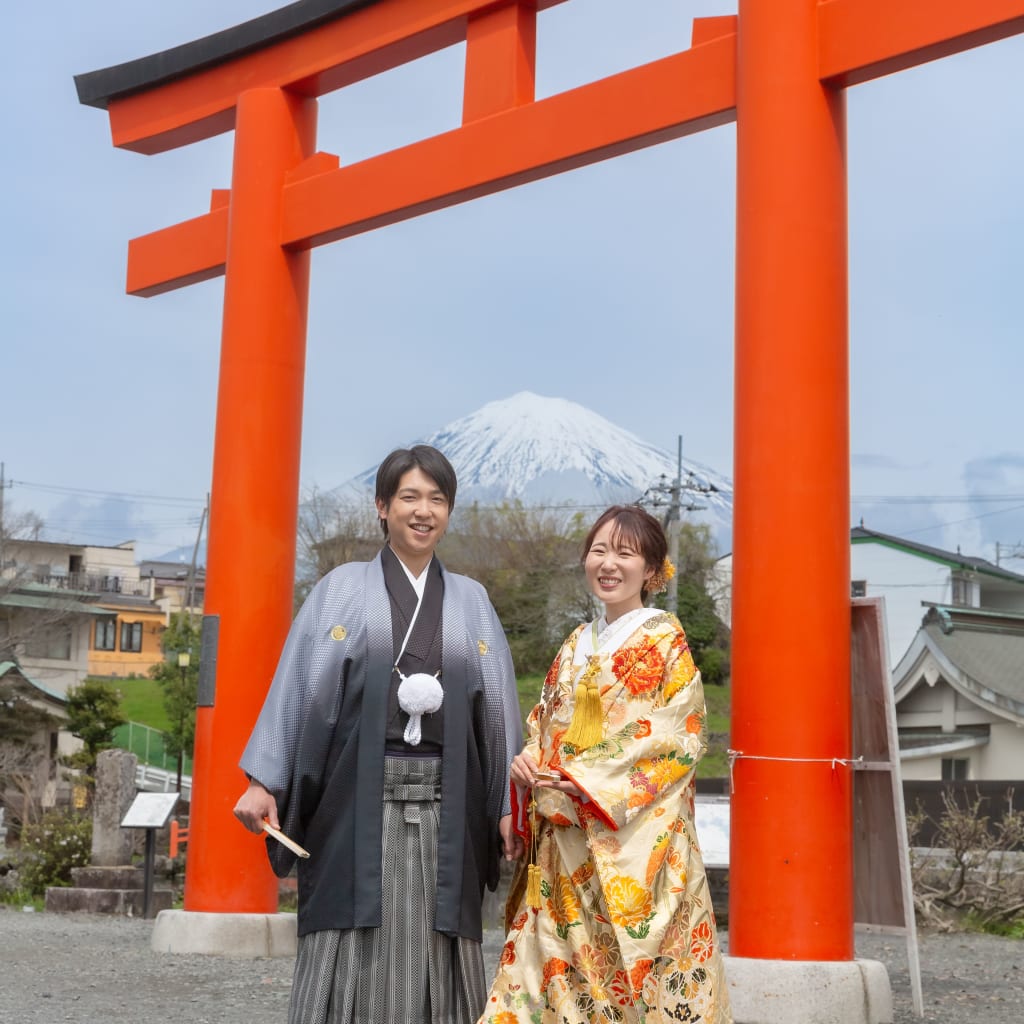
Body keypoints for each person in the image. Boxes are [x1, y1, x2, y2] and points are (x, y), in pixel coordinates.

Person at [234, 445, 523, 1024]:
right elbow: (300, 688)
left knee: (443, 940)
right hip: (354, 802)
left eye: (437, 500)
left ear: (449, 511)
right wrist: (265, 780)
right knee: (349, 929)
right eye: (410, 497)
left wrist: (507, 805)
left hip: (451, 801)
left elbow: (498, 713)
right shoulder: (340, 590)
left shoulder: (471, 601)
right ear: (382, 506)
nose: (423, 511)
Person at [480, 505, 731, 1024]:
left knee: (635, 979)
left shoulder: (665, 640)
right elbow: (544, 724)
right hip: (565, 845)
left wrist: (583, 777)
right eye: (598, 550)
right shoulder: (576, 644)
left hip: (637, 841)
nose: (608, 564)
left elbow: (677, 733)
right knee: (547, 972)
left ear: (652, 569)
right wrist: (528, 762)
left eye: (625, 552)